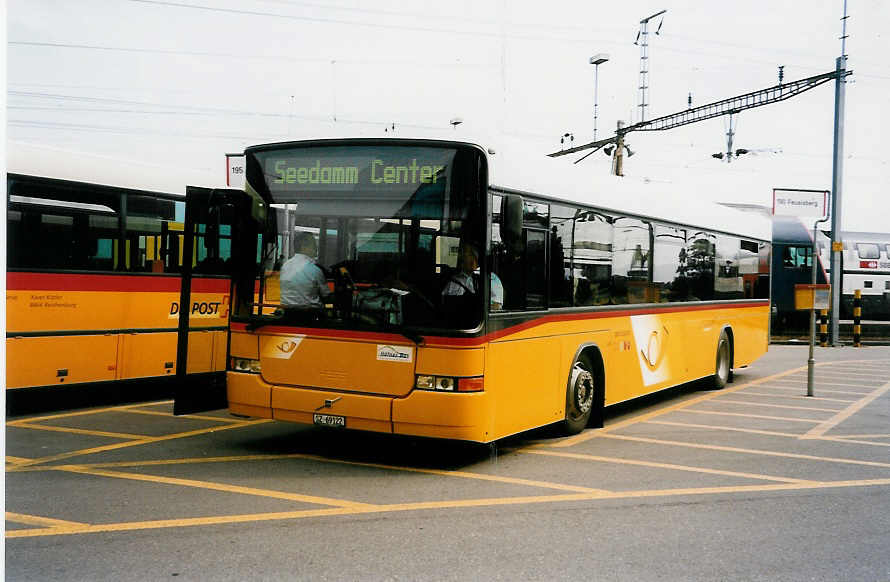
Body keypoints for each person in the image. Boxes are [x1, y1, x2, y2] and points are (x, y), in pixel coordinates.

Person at [441, 242, 504, 311]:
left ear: (474, 256)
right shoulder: (454, 281)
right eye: (460, 252)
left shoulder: (491, 278)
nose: (460, 256)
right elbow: (443, 304)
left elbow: (496, 306)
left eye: (464, 252)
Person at [279, 232, 331, 309]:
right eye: (313, 245)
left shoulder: (285, 266)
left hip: (287, 313)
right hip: (310, 315)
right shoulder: (314, 270)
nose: (316, 248)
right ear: (303, 247)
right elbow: (326, 296)